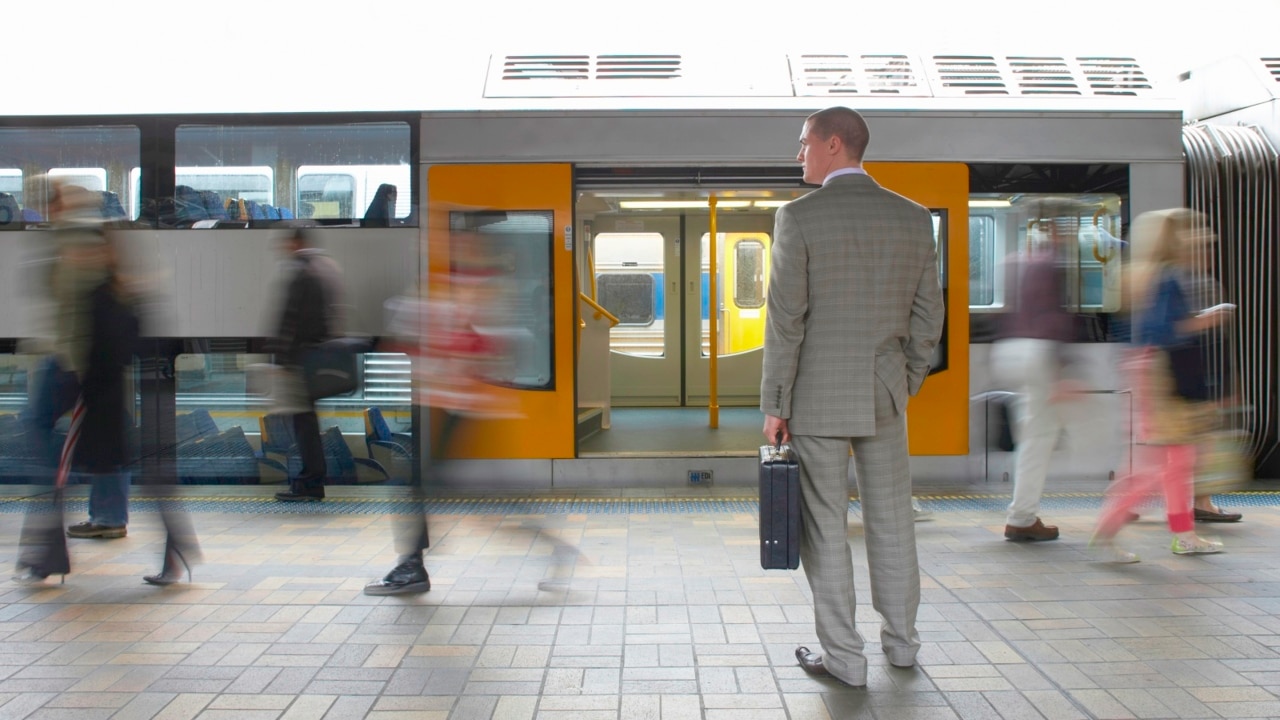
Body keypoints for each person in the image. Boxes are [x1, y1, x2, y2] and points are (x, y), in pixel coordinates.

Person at [761, 106, 944, 688]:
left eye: (804, 143)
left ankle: (844, 658)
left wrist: (776, 404)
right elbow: (927, 320)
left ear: (833, 144)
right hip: (883, 394)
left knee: (825, 526)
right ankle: (903, 646)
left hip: (815, 398)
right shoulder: (914, 218)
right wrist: (903, 380)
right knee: (893, 522)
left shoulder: (798, 218)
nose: (799, 155)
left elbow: (786, 321)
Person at [1091, 209, 1228, 561]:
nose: (1198, 241)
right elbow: (1165, 331)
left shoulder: (1143, 275)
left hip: (1152, 370)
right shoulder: (1166, 278)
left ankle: (1183, 533)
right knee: (1155, 466)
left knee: (1178, 460)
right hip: (1161, 375)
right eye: (1190, 233)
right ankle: (1107, 529)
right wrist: (1206, 321)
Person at [15, 182, 112, 582]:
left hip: (74, 366)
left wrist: (74, 364)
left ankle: (51, 549)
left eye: (50, 202)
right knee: (48, 442)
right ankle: (50, 548)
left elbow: (81, 312)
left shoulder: (80, 239)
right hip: (69, 362)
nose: (44, 209)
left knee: (46, 443)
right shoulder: (69, 238)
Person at [988, 200, 1085, 542]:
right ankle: (1022, 517)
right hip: (1038, 352)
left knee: (1032, 435)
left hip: (1011, 350)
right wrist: (1062, 372)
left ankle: (1023, 512)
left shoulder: (1019, 261)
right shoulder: (1056, 263)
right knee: (1039, 439)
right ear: (1059, 228)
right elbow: (1054, 319)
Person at [64, 236, 139, 541]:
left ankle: (108, 517)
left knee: (106, 451)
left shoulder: (105, 294)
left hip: (100, 383)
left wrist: (85, 376)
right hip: (107, 382)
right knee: (109, 450)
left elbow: (102, 343)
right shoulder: (116, 291)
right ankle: (106, 515)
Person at [268, 225, 345, 502]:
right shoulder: (325, 268)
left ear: (295, 243)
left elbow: (290, 320)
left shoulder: (303, 272)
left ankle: (310, 482)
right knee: (306, 422)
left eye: (286, 243)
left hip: (301, 359)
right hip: (317, 356)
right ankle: (311, 480)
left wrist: (282, 358)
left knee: (304, 423)